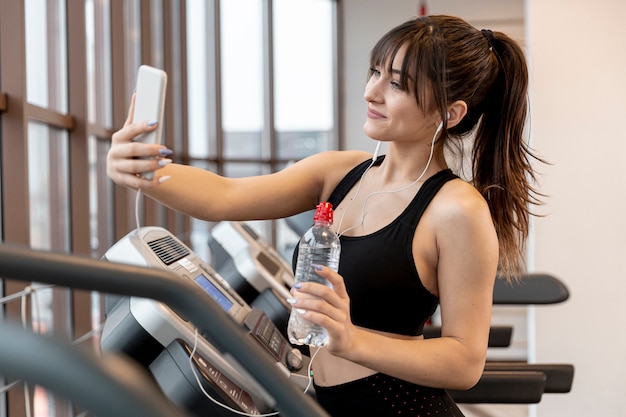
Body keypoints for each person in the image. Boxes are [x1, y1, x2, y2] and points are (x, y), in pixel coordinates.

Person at [108, 14, 541, 417]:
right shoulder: (340, 172)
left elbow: (464, 361)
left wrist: (352, 340)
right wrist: (148, 174)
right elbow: (225, 195)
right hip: (328, 403)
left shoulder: (457, 209)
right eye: (375, 72)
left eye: (397, 84)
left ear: (450, 112)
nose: (372, 92)